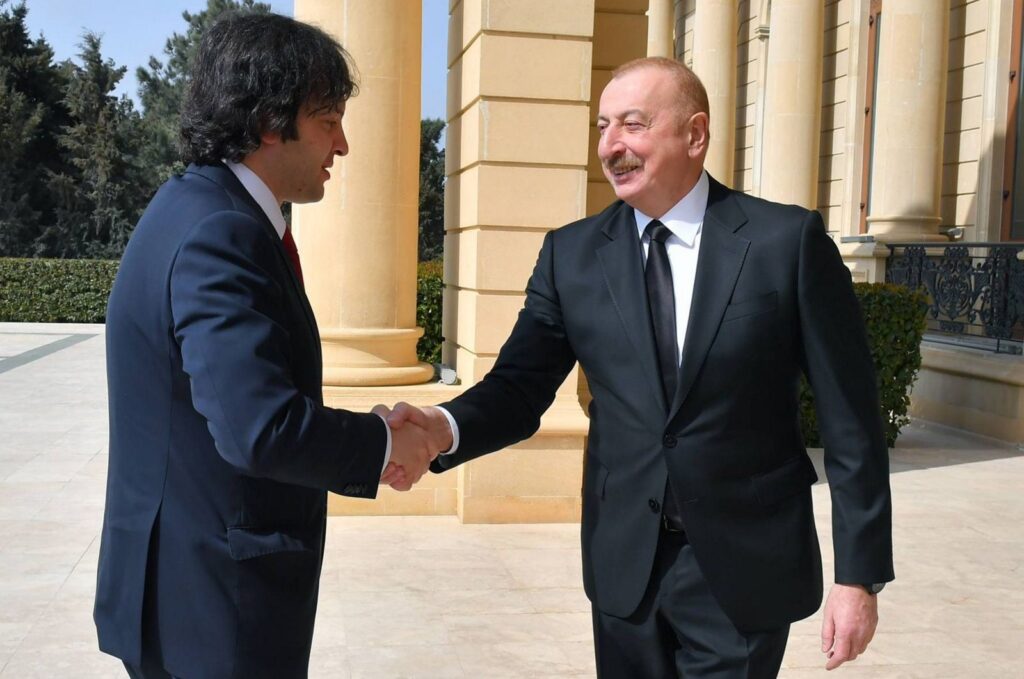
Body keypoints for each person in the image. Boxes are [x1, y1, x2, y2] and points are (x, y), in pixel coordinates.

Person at [384, 57, 894, 678]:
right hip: (625, 565)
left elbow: (851, 420)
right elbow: (518, 389)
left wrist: (858, 577)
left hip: (745, 569)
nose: (611, 146)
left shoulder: (786, 243)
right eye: (602, 127)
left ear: (695, 135)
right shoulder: (570, 255)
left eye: (632, 124)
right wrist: (441, 428)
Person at [94, 13, 439, 679]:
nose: (342, 144)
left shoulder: (195, 206)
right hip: (213, 611)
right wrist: (388, 443)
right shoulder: (221, 231)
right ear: (269, 120)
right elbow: (258, 427)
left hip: (193, 596)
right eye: (328, 119)